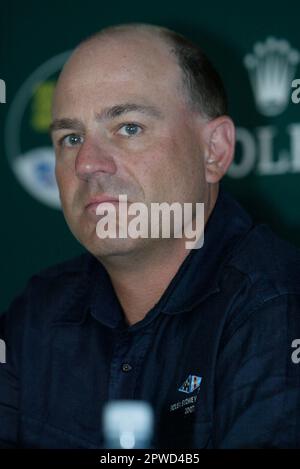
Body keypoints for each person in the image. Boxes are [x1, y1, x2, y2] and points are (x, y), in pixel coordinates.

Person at [1, 23, 300, 449]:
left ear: (214, 150)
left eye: (128, 128)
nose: (86, 163)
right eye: (70, 138)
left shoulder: (278, 310)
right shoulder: (38, 314)